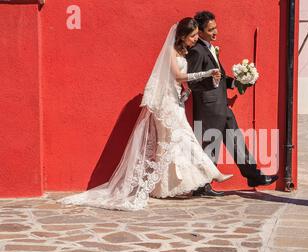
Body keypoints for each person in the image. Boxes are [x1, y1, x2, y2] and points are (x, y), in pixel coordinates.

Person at [58, 18, 232, 211]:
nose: (195, 39)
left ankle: (163, 188)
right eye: (192, 36)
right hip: (165, 103)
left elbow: (179, 83)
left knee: (171, 143)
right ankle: (213, 173)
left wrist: (187, 92)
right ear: (182, 36)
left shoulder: (183, 52)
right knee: (184, 137)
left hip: (175, 100)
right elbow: (177, 76)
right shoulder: (171, 51)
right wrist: (206, 73)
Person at [186, 11, 278, 197]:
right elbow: (193, 82)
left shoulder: (210, 48)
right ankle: (203, 186)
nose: (215, 32)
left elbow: (218, 77)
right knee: (210, 145)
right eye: (211, 29)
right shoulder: (197, 51)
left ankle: (254, 175)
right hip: (209, 107)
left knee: (236, 141)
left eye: (216, 27)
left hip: (222, 106)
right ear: (200, 32)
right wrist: (213, 81)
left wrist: (237, 82)